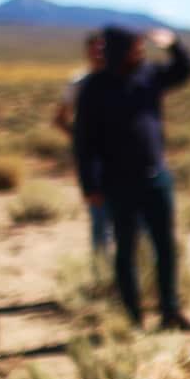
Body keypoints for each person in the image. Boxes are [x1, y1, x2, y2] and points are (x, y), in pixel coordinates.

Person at [74, 25, 190, 331]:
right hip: (118, 184)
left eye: (142, 48)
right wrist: (89, 185)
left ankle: (170, 311)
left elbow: (185, 71)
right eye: (135, 48)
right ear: (119, 50)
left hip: (156, 179)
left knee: (165, 247)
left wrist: (174, 44)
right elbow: (84, 142)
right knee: (126, 250)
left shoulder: (149, 77)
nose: (141, 52)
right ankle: (133, 317)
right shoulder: (94, 87)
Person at [54, 32, 111, 262]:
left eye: (102, 48)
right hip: (95, 163)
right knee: (100, 218)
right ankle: (102, 272)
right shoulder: (79, 82)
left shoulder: (124, 79)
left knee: (137, 220)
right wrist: (81, 140)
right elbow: (59, 118)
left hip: (128, 161)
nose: (98, 53)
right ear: (87, 52)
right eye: (94, 49)